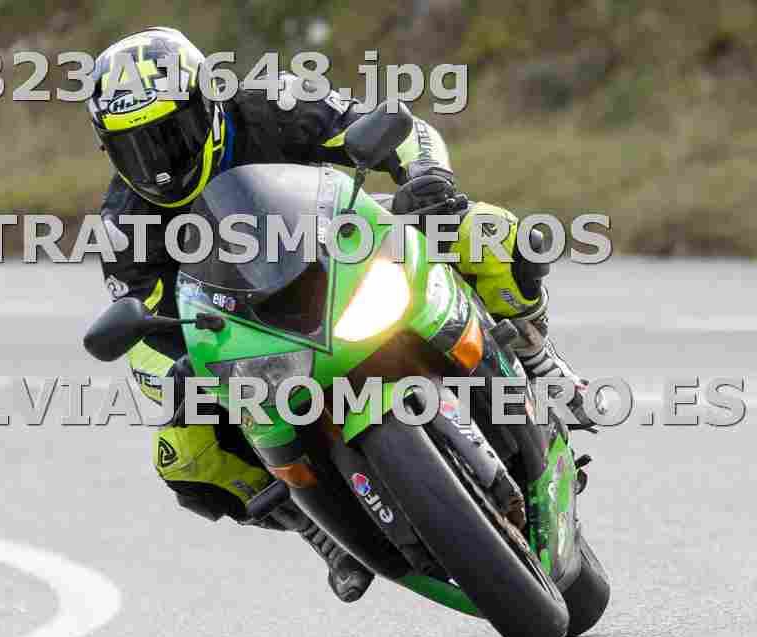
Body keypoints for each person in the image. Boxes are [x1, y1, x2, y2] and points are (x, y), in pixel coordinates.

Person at [86, 27, 593, 603]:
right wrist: (181, 372)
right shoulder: (124, 223)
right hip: (250, 335)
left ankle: (536, 353)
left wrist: (427, 179)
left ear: (208, 103)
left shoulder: (273, 103)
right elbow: (139, 329)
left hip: (345, 252)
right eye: (134, 148)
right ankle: (315, 526)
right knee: (182, 451)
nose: (156, 163)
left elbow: (401, 129)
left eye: (168, 134)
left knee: (484, 231)